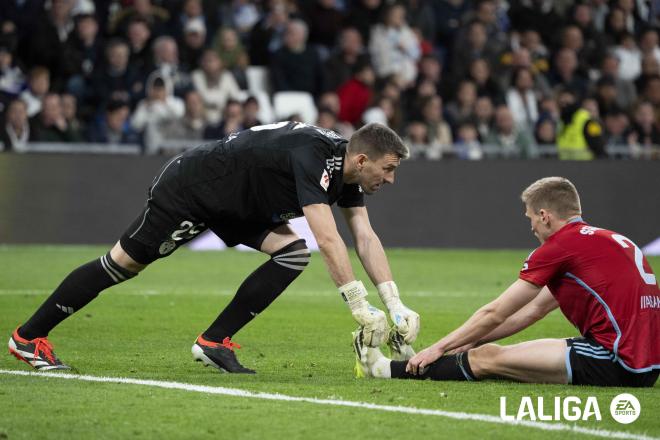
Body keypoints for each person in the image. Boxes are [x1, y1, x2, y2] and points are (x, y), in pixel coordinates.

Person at [8, 122, 420, 374]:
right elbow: (329, 238)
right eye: (389, 169)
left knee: (293, 253)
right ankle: (28, 337)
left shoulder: (346, 172)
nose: (392, 179)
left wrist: (394, 302)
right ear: (363, 159)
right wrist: (359, 305)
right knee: (123, 264)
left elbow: (364, 235)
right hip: (194, 189)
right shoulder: (314, 156)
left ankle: (213, 342)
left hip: (238, 205)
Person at [354, 177, 659, 387]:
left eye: (530, 219)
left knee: (488, 359)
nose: (531, 227)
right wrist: (464, 343)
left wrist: (438, 347)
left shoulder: (560, 247)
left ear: (545, 216)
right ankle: (419, 363)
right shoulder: (604, 241)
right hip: (646, 362)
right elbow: (531, 312)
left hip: (617, 361)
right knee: (486, 351)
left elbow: (496, 312)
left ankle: (384, 371)